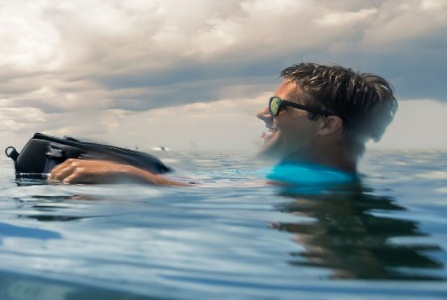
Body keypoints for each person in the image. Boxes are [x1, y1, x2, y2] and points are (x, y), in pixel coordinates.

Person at [48, 62, 398, 185]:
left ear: (326, 125)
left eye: (278, 105)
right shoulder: (311, 175)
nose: (264, 113)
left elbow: (234, 192)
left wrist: (136, 178)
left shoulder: (317, 180)